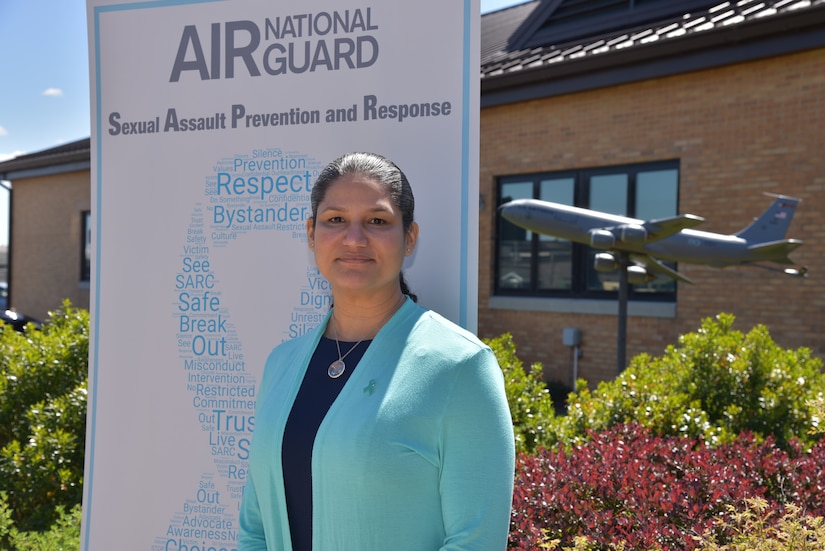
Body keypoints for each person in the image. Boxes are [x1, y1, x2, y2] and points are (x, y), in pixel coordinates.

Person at [238, 152, 515, 551]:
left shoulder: (460, 366)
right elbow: (255, 528)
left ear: (410, 238)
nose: (354, 238)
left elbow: (476, 541)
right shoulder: (281, 364)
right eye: (335, 220)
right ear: (312, 234)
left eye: (377, 221)